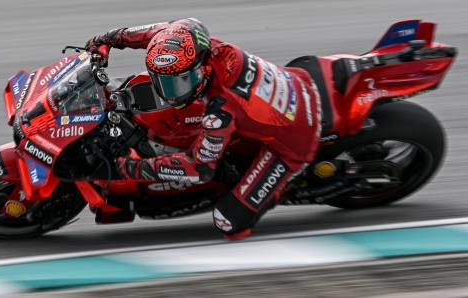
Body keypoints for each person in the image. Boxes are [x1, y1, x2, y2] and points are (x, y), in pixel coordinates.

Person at [85, 18, 321, 239]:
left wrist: (128, 168)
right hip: (294, 82)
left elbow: (199, 168)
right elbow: (149, 33)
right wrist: (104, 41)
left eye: (179, 82)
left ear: (202, 67)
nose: (170, 93)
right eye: (164, 82)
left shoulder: (221, 110)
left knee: (227, 222)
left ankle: (283, 188)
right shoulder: (191, 40)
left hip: (295, 141)